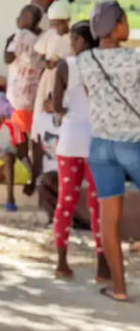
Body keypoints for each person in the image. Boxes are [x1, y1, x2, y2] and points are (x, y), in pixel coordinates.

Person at [76, 0, 140, 303]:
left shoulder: (84, 59)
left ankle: (119, 287)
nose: (128, 26)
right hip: (134, 143)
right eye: (125, 21)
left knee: (108, 218)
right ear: (114, 26)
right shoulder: (136, 58)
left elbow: (91, 95)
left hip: (100, 145)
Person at [51, 21, 108, 281]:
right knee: (98, 205)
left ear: (82, 41)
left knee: (65, 203)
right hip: (96, 140)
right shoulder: (102, 64)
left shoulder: (65, 66)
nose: (70, 43)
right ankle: (102, 266)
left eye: (73, 39)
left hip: (70, 140)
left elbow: (56, 106)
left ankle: (62, 263)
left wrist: (67, 113)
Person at [5, 4, 43, 136]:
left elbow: (8, 58)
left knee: (19, 133)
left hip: (19, 93)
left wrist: (7, 42)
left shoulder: (21, 34)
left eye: (21, 15)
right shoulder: (39, 37)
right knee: (29, 130)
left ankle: (24, 155)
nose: (17, 18)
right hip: (32, 91)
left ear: (28, 18)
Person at [33, 0, 72, 120]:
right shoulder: (49, 35)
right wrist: (46, 63)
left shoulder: (73, 37)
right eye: (53, 24)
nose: (56, 27)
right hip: (48, 80)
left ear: (67, 21)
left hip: (65, 81)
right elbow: (37, 61)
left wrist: (61, 63)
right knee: (42, 112)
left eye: (59, 24)